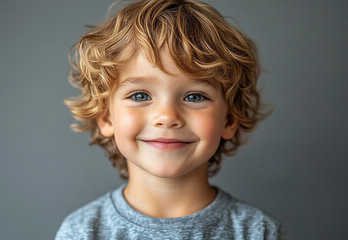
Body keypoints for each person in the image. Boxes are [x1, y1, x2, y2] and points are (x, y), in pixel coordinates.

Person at [55, 0, 284, 239]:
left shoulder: (259, 231)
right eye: (140, 95)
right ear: (106, 117)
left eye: (195, 96)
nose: (167, 117)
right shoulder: (82, 232)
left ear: (229, 120)